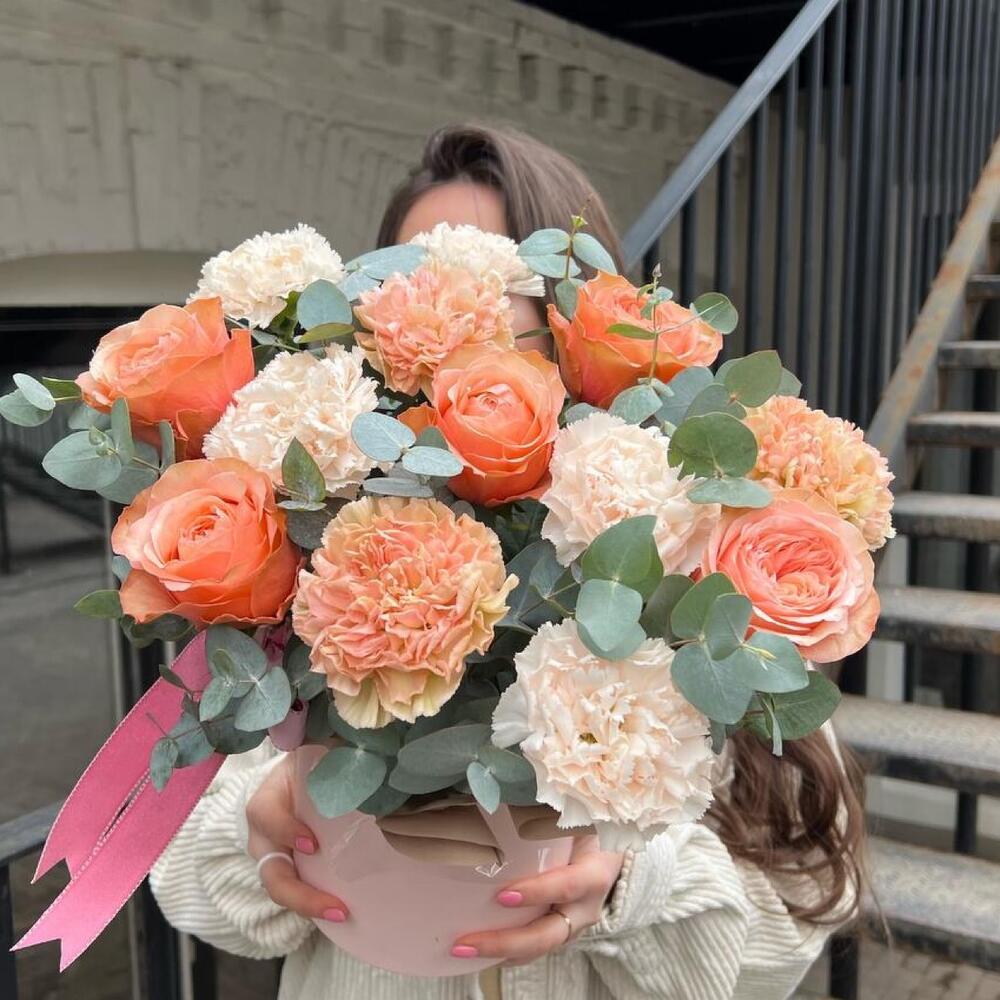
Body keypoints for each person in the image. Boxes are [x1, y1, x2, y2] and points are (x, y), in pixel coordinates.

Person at [150, 124, 865, 1000]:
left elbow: (799, 924)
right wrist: (262, 831)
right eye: (419, 290)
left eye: (503, 297)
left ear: (583, 327)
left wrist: (631, 884)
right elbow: (179, 874)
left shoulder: (697, 572)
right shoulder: (320, 578)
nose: (458, 328)